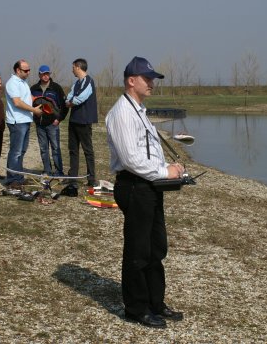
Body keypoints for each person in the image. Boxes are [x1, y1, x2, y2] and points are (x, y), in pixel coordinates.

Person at [105, 56, 185, 329]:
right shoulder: (121, 113)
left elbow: (148, 152)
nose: (152, 83)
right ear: (131, 80)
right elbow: (130, 159)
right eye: (147, 78)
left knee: (156, 246)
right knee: (138, 249)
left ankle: (155, 302)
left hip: (149, 185)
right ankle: (136, 308)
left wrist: (169, 167)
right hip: (134, 186)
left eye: (153, 78)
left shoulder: (139, 109)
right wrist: (165, 173)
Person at [4, 59, 43, 190]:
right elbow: (17, 102)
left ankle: (19, 178)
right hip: (17, 122)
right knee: (15, 152)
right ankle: (12, 179)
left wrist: (43, 101)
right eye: (26, 70)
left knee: (22, 151)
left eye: (29, 70)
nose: (28, 72)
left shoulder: (23, 82)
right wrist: (34, 110)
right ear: (17, 70)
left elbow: (28, 98)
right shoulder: (12, 83)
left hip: (25, 120)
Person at [30, 65, 69, 176]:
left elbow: (64, 106)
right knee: (43, 149)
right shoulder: (33, 89)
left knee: (55, 148)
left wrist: (59, 119)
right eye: (43, 74)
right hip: (40, 124)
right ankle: (47, 170)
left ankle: (59, 171)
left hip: (53, 124)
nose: (46, 76)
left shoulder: (56, 88)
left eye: (47, 73)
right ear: (39, 74)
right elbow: (29, 105)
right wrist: (35, 119)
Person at [65, 58, 98, 186]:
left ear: (78, 67)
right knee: (73, 150)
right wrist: (69, 101)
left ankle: (91, 179)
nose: (72, 69)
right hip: (73, 120)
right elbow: (69, 97)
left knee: (87, 150)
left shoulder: (89, 81)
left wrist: (71, 102)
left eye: (73, 67)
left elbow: (80, 98)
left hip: (84, 122)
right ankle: (72, 177)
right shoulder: (76, 83)